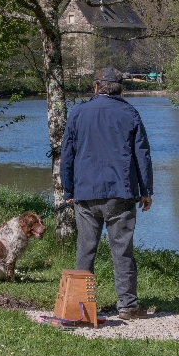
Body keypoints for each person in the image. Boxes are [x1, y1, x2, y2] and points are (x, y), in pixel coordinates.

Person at [60, 67, 153, 320]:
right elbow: (142, 155)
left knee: (85, 249)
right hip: (120, 193)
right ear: (119, 88)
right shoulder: (130, 113)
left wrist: (68, 189)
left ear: (96, 87)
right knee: (122, 250)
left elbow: (67, 154)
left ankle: (81, 307)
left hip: (86, 192)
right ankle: (128, 306)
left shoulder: (78, 113)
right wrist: (146, 191)